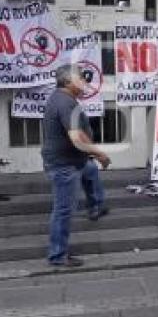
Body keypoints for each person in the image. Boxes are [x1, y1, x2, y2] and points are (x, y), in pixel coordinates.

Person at [41, 64, 112, 267]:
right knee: (63, 210)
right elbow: (77, 138)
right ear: (69, 81)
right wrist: (100, 154)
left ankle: (96, 205)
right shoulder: (65, 103)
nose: (84, 82)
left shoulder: (62, 99)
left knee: (90, 171)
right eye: (81, 78)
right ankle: (57, 255)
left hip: (72, 160)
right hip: (64, 166)